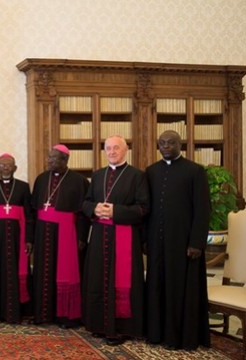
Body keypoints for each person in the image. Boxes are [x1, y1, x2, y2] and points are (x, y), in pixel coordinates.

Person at [145, 130, 211, 350]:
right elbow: (147, 210)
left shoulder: (195, 171)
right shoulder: (151, 171)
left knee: (181, 290)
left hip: (183, 244)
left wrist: (196, 243)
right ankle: (156, 334)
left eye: (171, 143)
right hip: (157, 243)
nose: (166, 146)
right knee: (157, 287)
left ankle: (181, 337)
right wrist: (146, 240)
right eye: (162, 143)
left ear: (180, 145)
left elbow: (203, 210)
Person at [81, 135, 149, 345]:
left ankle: (122, 328)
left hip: (124, 238)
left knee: (122, 280)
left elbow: (143, 208)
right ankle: (99, 324)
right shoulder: (98, 175)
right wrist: (94, 209)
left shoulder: (137, 176)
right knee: (98, 278)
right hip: (101, 236)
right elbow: (85, 202)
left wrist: (115, 211)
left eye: (116, 148)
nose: (111, 152)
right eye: (108, 148)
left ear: (125, 150)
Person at [31, 144, 90, 328]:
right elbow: (33, 211)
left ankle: (65, 316)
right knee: (43, 271)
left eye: (53, 158)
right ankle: (42, 313)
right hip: (43, 232)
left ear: (65, 160)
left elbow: (83, 214)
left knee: (64, 272)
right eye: (49, 157)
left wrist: (81, 237)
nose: (49, 161)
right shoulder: (41, 179)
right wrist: (31, 238)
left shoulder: (79, 181)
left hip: (67, 233)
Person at [0, 153, 33, 323]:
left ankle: (18, 310)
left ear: (15, 168)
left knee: (16, 270)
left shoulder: (23, 187)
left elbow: (29, 215)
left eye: (9, 165)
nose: (5, 167)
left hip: (18, 236)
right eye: (2, 165)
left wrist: (29, 239)